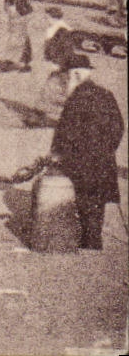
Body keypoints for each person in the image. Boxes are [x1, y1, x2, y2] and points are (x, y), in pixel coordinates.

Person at [51, 53, 125, 250]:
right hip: (102, 162)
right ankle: (92, 241)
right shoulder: (106, 94)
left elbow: (66, 132)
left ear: (75, 74)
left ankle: (88, 246)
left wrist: (58, 154)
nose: (64, 81)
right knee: (96, 204)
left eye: (66, 76)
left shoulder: (77, 98)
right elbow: (118, 127)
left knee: (84, 202)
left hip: (81, 162)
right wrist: (106, 150)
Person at [0, 0, 34, 72]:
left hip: (21, 23)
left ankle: (25, 65)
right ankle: (10, 62)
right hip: (13, 23)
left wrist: (22, 17)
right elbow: (7, 11)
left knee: (23, 44)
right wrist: (3, 19)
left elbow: (30, 9)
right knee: (12, 43)